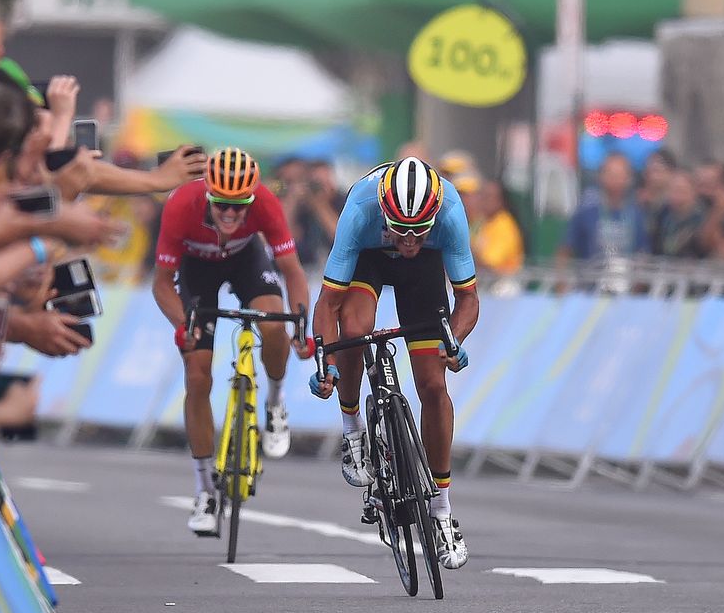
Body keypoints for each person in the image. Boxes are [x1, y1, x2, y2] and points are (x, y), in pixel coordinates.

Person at [308, 156, 476, 570]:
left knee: (433, 386)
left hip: (424, 273)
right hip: (369, 255)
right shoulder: (361, 209)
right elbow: (327, 304)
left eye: (419, 232)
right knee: (352, 328)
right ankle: (353, 433)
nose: (408, 242)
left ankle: (441, 513)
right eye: (401, 231)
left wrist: (453, 339)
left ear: (433, 218)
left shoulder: (451, 212)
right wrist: (323, 360)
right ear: (385, 212)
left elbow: (468, 299)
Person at [151, 147, 312, 536]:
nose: (230, 214)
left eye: (240, 207)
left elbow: (292, 271)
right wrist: (181, 325)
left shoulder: (267, 204)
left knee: (274, 326)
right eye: (222, 204)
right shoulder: (181, 205)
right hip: (196, 270)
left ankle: (275, 403)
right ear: (208, 194)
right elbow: (161, 285)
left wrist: (302, 329)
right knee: (197, 374)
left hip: (246, 261)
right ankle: (205, 490)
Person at [558, 153, 648, 263]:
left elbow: (643, 254)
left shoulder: (636, 215)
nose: (615, 180)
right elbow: (565, 250)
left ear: (629, 179)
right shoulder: (585, 212)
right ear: (600, 176)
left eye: (620, 175)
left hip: (626, 277)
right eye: (611, 174)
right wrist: (562, 278)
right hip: (591, 277)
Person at [470, 179, 524, 275]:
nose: (483, 201)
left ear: (500, 201)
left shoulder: (505, 225)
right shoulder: (481, 221)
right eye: (482, 196)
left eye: (488, 197)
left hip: (503, 283)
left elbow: (490, 263)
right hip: (484, 281)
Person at [652, 171, 707, 259]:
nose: (676, 197)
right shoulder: (662, 215)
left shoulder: (702, 220)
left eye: (681, 191)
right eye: (672, 191)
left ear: (694, 192)